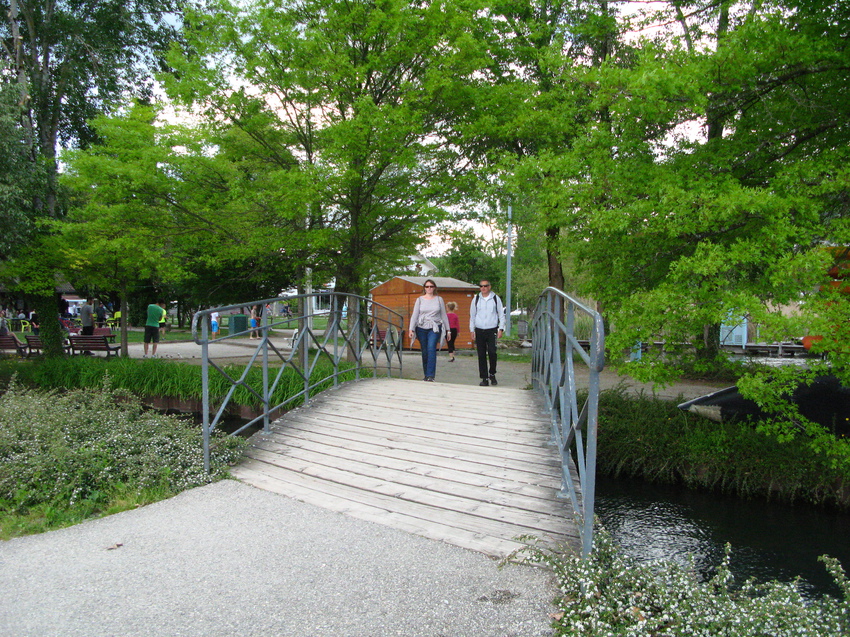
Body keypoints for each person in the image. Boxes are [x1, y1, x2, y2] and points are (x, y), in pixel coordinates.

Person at [407, 279, 450, 382]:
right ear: (424, 288)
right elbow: (415, 315)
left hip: (435, 327)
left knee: (431, 349)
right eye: (427, 286)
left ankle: (431, 375)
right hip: (421, 327)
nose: (429, 288)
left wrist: (448, 330)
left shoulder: (439, 299)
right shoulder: (420, 300)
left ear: (434, 288)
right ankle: (426, 374)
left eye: (431, 286)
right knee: (425, 351)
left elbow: (444, 315)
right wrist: (411, 328)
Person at [469, 279, 505, 386]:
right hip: (479, 329)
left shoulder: (495, 298)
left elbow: (501, 315)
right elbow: (472, 316)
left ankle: (492, 373)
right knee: (481, 354)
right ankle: (484, 377)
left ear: (489, 287)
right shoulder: (476, 299)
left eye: (485, 286)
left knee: (492, 352)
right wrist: (472, 329)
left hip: (492, 329)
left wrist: (501, 328)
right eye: (481, 286)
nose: (483, 288)